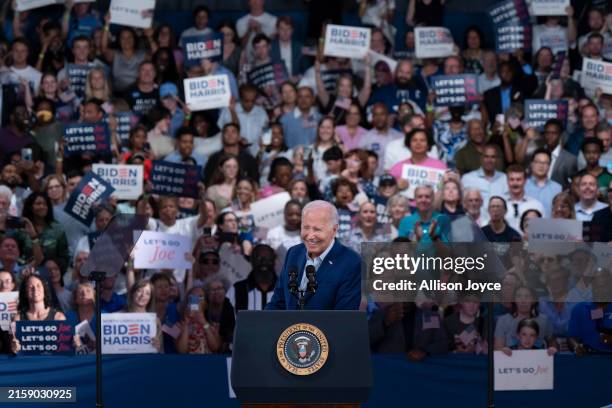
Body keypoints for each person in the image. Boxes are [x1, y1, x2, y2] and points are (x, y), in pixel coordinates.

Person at [266, 200, 361, 310]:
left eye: (317, 229)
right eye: (306, 228)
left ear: (334, 230)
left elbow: (343, 317)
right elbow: (277, 302)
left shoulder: (351, 262)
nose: (310, 236)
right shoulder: (293, 253)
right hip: (288, 327)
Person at [229, 244, 277, 312]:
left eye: (268, 258)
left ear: (274, 261)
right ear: (251, 261)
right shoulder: (236, 290)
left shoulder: (285, 290)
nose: (263, 262)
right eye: (258, 258)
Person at [176, 285, 221, 354]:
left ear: (206, 304)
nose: (196, 300)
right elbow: (181, 351)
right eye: (192, 297)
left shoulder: (214, 326)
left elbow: (215, 347)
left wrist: (204, 323)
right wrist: (186, 325)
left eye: (200, 297)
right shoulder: (176, 326)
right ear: (187, 302)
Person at [503, 165, 545, 232]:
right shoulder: (499, 204)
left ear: (525, 181)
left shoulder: (536, 205)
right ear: (507, 181)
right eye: (512, 179)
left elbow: (542, 230)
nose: (515, 183)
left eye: (518, 179)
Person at [525, 148, 563, 217]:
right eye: (538, 162)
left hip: (549, 226)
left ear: (549, 166)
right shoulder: (523, 185)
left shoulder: (557, 188)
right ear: (532, 164)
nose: (541, 166)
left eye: (545, 163)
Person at [203, 276, 235, 352]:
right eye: (213, 289)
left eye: (220, 288)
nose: (217, 292)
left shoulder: (231, 306)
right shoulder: (204, 307)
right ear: (207, 293)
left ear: (225, 291)